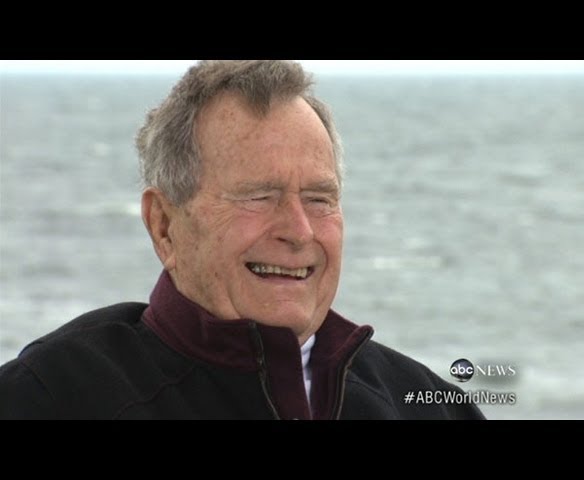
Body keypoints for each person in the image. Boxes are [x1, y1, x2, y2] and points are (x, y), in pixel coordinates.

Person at [0, 60, 485, 420]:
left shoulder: (433, 407)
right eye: (259, 197)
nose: (299, 231)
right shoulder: (49, 397)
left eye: (319, 199)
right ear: (164, 225)